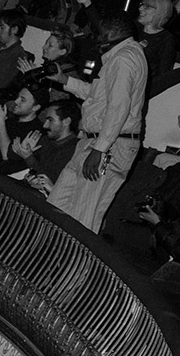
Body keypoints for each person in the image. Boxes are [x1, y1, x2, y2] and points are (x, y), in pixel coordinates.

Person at [48, 12, 147, 233]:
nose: (97, 39)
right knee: (56, 207)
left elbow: (118, 108)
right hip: (94, 142)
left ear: (112, 33)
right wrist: (64, 80)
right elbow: (98, 96)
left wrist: (99, 149)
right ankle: (47, 261)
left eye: (101, 34)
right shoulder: (119, 57)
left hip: (108, 146)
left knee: (82, 218)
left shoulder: (124, 59)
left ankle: (73, 267)